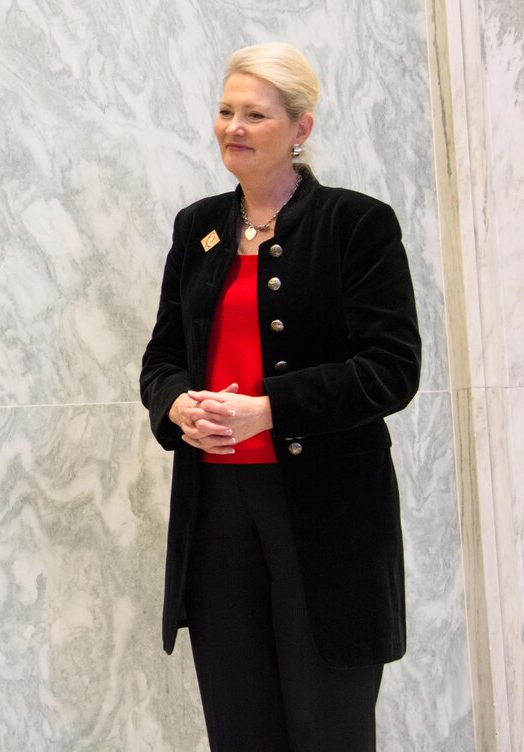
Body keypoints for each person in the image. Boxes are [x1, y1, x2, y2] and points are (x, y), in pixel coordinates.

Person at [139, 43, 421, 752]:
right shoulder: (196, 227)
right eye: (226, 110)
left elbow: (393, 368)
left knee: (326, 725)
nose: (233, 126)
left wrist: (269, 409)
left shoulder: (356, 224)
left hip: (326, 519)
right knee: (240, 725)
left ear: (301, 129)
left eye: (255, 114)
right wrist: (175, 404)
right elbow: (162, 358)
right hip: (217, 516)